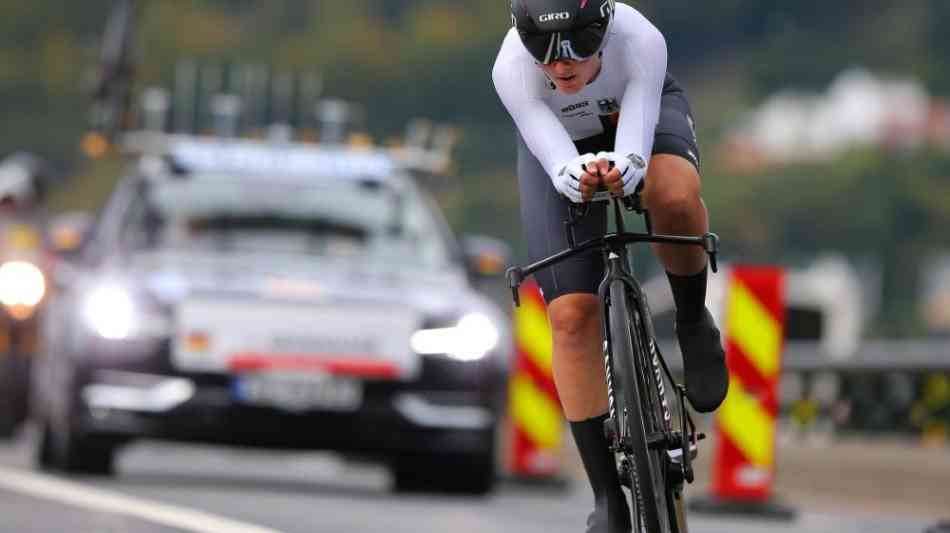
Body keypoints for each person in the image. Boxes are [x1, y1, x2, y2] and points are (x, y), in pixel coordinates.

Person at [492, 1, 729, 531]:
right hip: (556, 141)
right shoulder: (510, 67)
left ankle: (692, 319)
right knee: (570, 316)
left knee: (673, 195)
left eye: (579, 42)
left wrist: (628, 166)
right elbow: (554, 160)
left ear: (604, 26)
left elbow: (637, 148)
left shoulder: (639, 39)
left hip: (636, 115)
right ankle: (606, 496)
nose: (561, 64)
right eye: (544, 50)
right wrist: (571, 174)